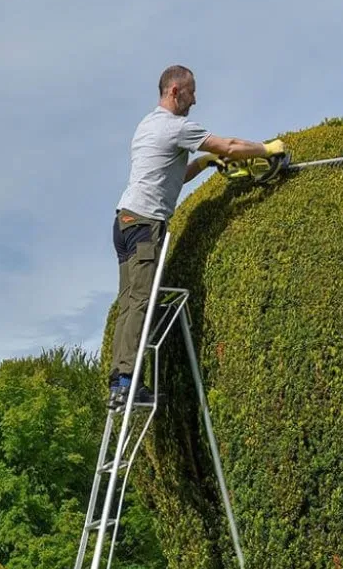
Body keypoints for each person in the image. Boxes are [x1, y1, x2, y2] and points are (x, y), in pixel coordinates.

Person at [108, 64, 285, 408]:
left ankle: (119, 381)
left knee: (129, 302)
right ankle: (127, 384)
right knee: (142, 303)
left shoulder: (147, 125)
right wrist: (268, 150)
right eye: (191, 91)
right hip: (146, 224)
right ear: (175, 91)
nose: (195, 98)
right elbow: (231, 146)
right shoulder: (177, 127)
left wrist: (204, 164)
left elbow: (170, 178)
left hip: (126, 221)